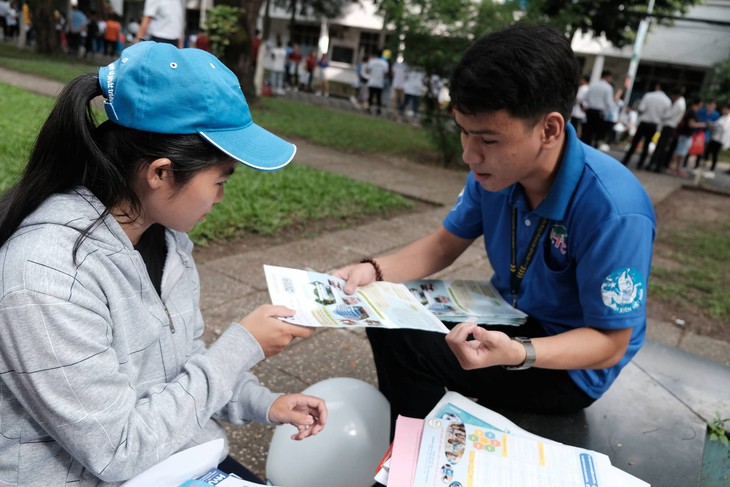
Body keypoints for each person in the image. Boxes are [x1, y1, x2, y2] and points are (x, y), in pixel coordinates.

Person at [0, 42, 327, 486]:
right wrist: (243, 345)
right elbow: (117, 451)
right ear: (159, 173)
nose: (221, 197)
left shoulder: (166, 240)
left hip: (175, 461)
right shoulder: (48, 276)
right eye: (219, 181)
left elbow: (180, 369)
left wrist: (264, 403)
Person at [334, 24, 655, 435]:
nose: (469, 154)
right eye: (463, 132)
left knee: (407, 344)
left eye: (487, 138)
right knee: (386, 316)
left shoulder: (614, 209)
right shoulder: (495, 174)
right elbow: (444, 244)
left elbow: (610, 343)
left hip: (568, 362)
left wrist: (519, 353)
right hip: (509, 314)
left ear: (549, 129)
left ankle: (421, 456)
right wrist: (372, 271)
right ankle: (422, 440)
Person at [621, 82, 671, 169]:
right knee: (646, 145)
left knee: (634, 143)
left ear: (658, 86)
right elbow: (665, 116)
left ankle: (625, 161)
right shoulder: (667, 101)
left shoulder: (649, 95)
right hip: (654, 125)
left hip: (644, 123)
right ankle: (640, 164)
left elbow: (642, 108)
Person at [646, 87, 686, 172]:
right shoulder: (681, 102)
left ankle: (655, 165)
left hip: (669, 126)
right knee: (662, 147)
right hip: (670, 126)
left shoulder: (679, 104)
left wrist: (660, 115)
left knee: (661, 147)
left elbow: (669, 115)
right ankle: (657, 165)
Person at [666, 98, 705, 178]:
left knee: (680, 152)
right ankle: (674, 167)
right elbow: (691, 124)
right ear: (699, 103)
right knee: (680, 152)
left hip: (684, 134)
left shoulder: (689, 111)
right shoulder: (692, 112)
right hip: (685, 135)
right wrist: (702, 125)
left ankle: (674, 167)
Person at [580, 70, 615, 148]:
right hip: (600, 112)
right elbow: (609, 102)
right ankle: (594, 148)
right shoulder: (608, 87)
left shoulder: (593, 85)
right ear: (607, 77)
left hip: (589, 111)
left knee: (588, 132)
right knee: (597, 133)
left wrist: (585, 107)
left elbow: (585, 98)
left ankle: (585, 147)